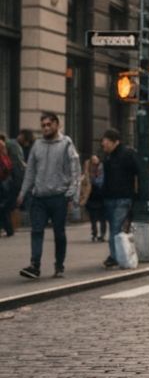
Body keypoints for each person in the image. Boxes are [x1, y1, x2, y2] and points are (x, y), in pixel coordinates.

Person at [15, 112, 80, 279]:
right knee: (36, 230)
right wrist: (23, 192)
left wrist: (73, 194)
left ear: (56, 125)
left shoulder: (66, 144)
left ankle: (59, 266)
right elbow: (30, 171)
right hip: (39, 197)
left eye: (48, 125)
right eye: (43, 125)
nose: (45, 128)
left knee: (59, 233)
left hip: (59, 196)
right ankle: (34, 265)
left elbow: (75, 170)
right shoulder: (37, 145)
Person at [100, 128, 141, 269]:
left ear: (114, 142)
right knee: (114, 228)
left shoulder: (128, 154)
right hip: (110, 198)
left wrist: (135, 195)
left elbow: (138, 172)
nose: (102, 145)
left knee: (115, 228)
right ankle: (117, 255)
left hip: (123, 198)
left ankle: (114, 257)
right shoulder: (108, 157)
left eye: (105, 142)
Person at [83, 155, 107, 242]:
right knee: (93, 217)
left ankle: (102, 234)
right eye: (92, 160)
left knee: (102, 217)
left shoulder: (102, 169)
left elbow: (100, 181)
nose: (94, 161)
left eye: (95, 159)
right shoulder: (88, 171)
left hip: (101, 196)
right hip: (92, 197)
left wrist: (91, 178)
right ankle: (94, 233)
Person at [0, 137, 14, 238]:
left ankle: (8, 229)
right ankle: (9, 229)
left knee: (3, 208)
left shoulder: (2, 157)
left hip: (2, 183)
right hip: (6, 182)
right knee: (5, 208)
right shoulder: (5, 156)